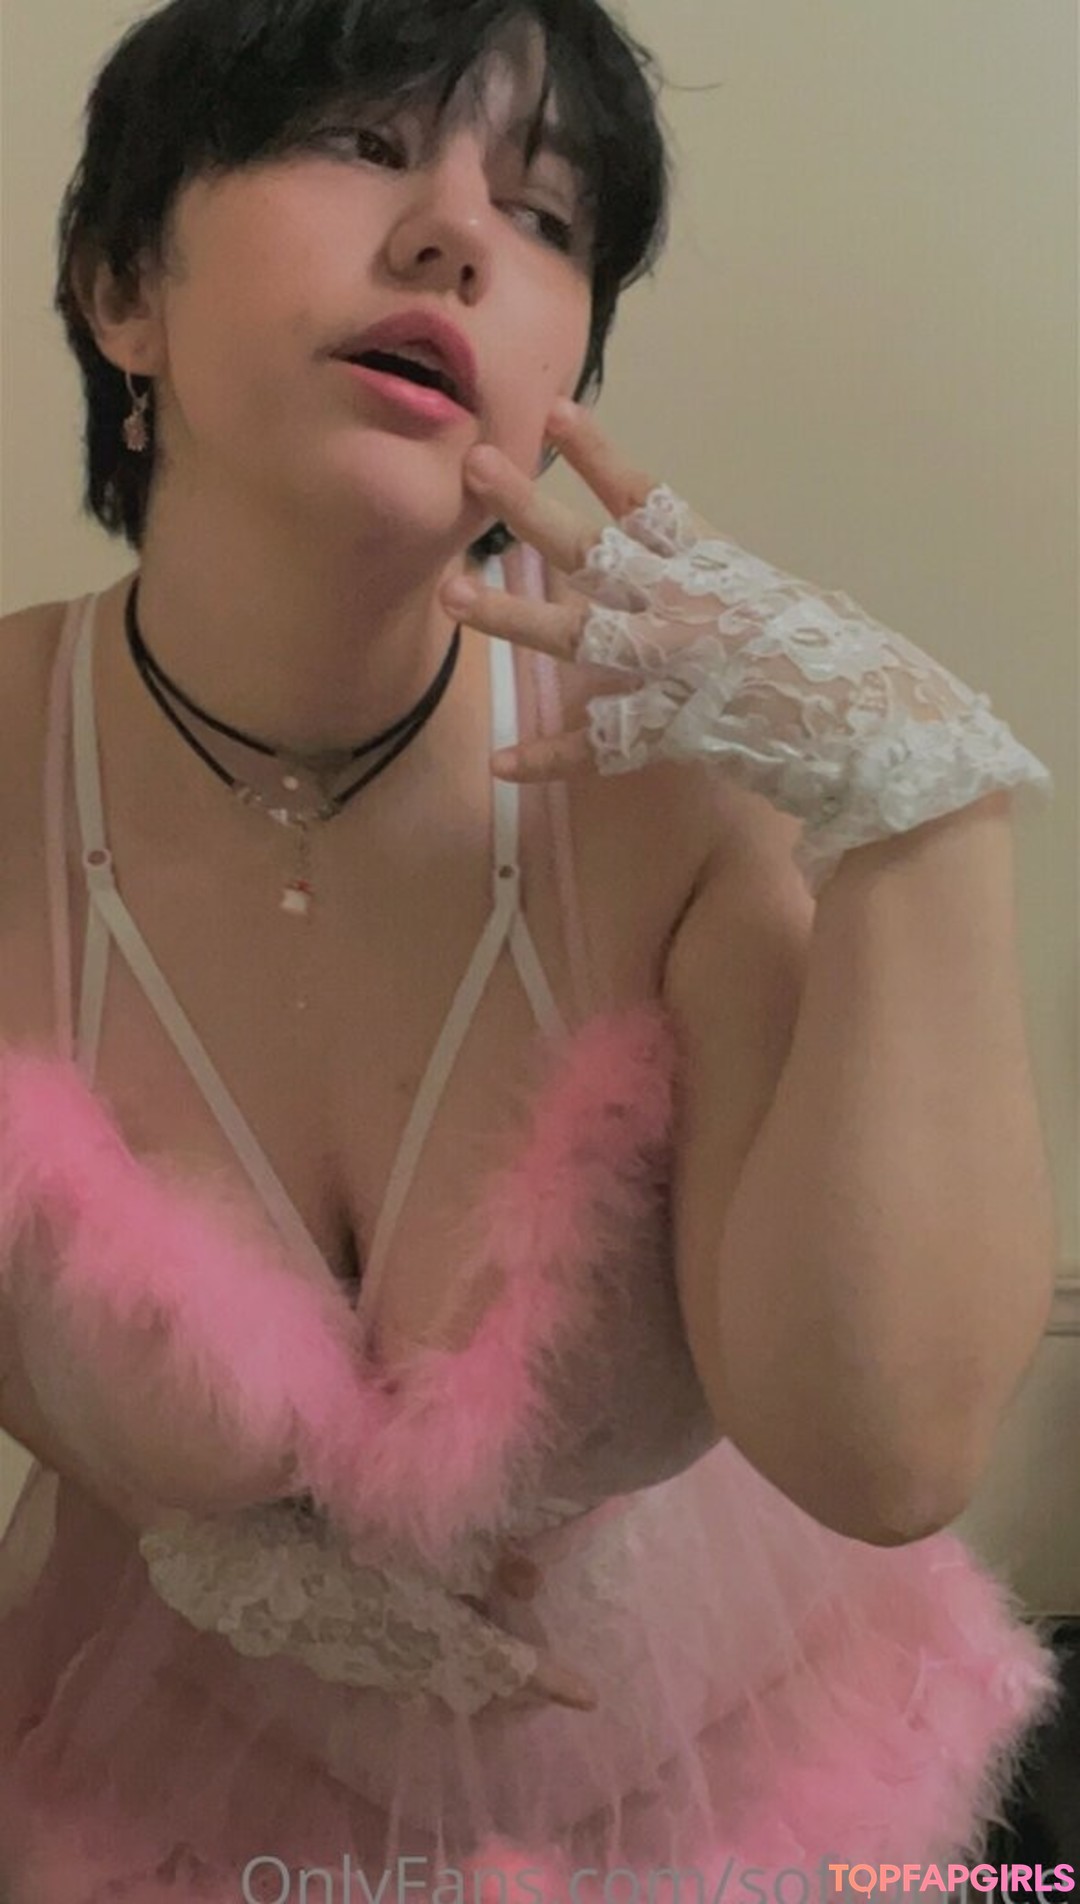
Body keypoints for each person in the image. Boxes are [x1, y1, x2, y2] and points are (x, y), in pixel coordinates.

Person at [0, 0, 1063, 1897]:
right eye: (359, 142)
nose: (455, 236)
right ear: (117, 291)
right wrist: (152, 1497)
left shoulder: (677, 792)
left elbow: (887, 1452)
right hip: (164, 1793)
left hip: (726, 1790)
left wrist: (924, 803)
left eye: (548, 216)